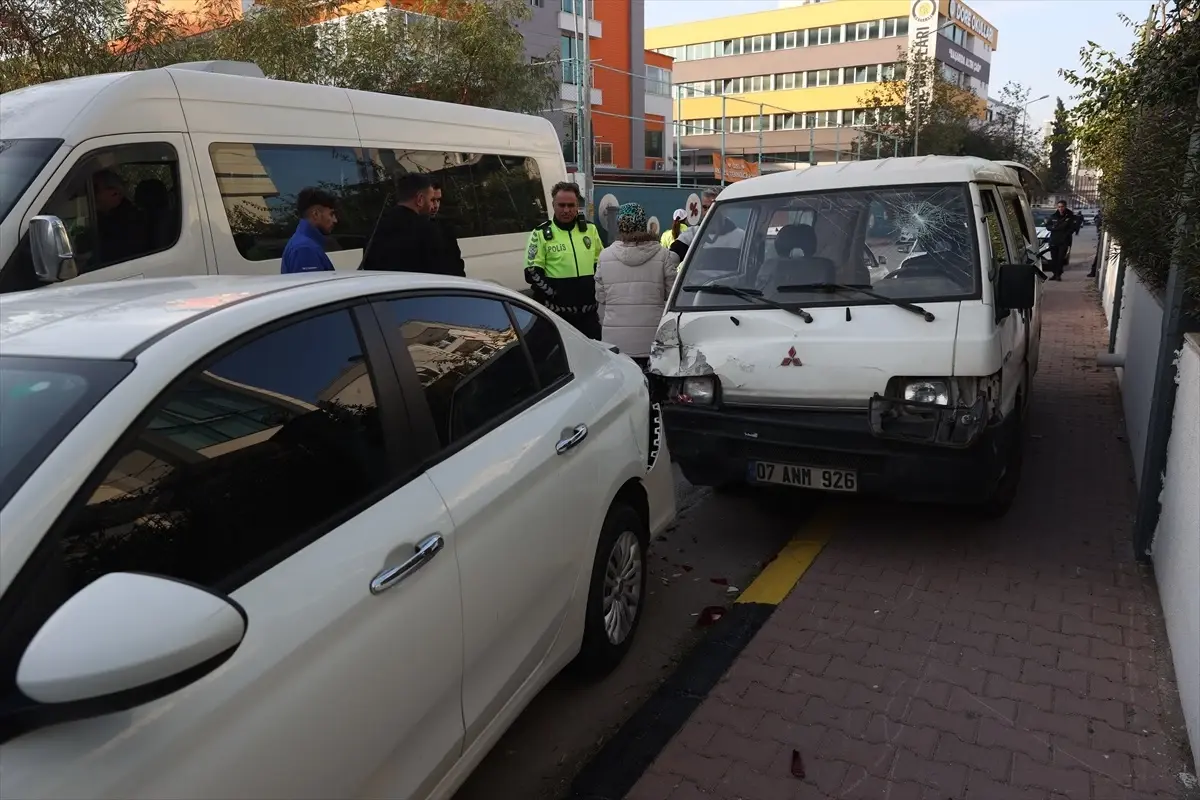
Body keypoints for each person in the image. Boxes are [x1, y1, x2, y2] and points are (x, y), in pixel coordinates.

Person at [595, 202, 681, 368]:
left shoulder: (605, 256)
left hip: (615, 342)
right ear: (644, 225)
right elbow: (673, 297)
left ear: (620, 226)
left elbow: (601, 299)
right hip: (654, 340)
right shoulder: (663, 255)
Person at [525, 181, 603, 338]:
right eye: (561, 205)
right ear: (553, 205)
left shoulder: (590, 230)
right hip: (557, 316)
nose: (566, 210)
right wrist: (553, 293)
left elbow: (601, 265)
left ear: (577, 206)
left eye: (571, 205)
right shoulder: (539, 233)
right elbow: (531, 271)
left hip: (589, 315)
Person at [360, 172, 448, 274]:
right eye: (431, 200)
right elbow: (439, 273)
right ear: (420, 199)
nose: (433, 206)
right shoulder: (427, 229)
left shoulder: (376, 226)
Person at [91, 169, 149, 269]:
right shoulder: (105, 216)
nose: (92, 195)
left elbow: (110, 256)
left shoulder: (128, 222)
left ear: (115, 193)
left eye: (95, 189)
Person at [281, 187, 337, 274]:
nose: (335, 220)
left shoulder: (303, 243)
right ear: (316, 214)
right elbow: (316, 287)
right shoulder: (305, 249)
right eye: (331, 214)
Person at [429, 180, 466, 277]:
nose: (436, 205)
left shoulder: (444, 227)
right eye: (432, 200)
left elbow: (456, 262)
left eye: (438, 200)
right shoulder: (412, 228)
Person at [1045, 200, 1075, 281]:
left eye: (1062, 207)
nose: (1060, 208)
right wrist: (1054, 228)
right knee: (1053, 259)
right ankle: (1055, 274)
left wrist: (1065, 234)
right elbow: (1048, 226)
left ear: (1065, 207)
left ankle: (1058, 275)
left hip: (1064, 241)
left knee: (1060, 259)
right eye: (1059, 207)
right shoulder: (1053, 216)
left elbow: (1072, 228)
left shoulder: (1069, 217)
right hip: (1054, 240)